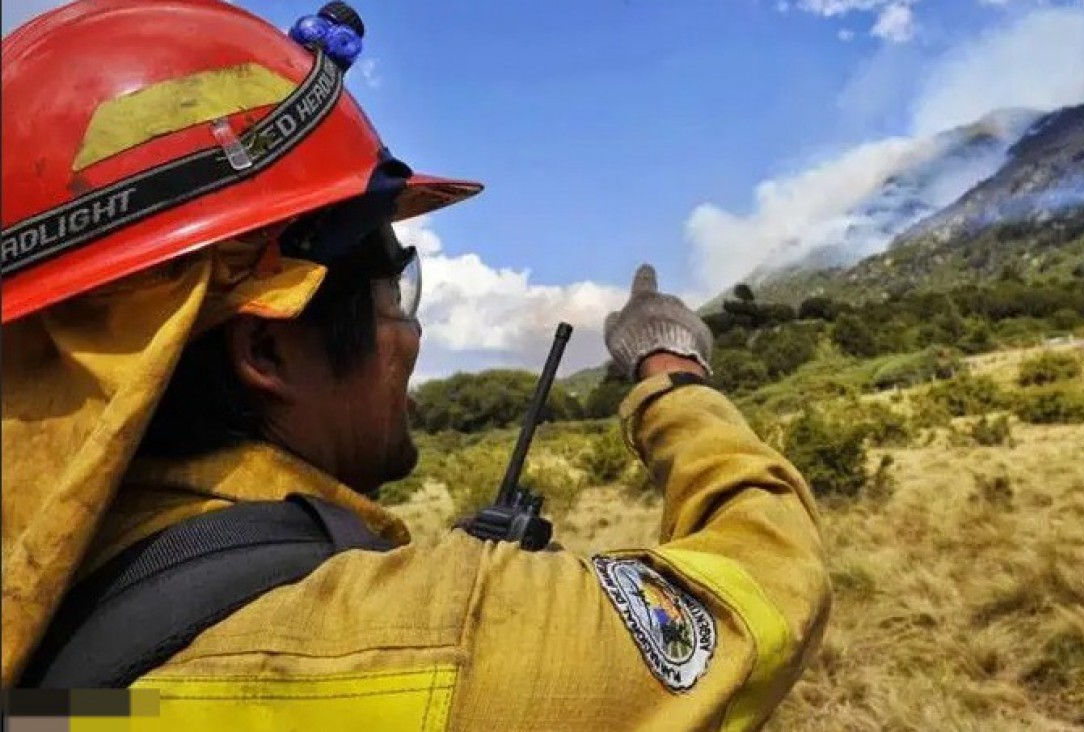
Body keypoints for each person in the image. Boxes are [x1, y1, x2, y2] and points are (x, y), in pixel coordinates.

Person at [1, 1, 832, 729]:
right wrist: (669, 374)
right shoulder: (440, 643)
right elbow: (768, 590)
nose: (411, 332)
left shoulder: (45, 609)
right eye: (395, 291)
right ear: (267, 347)